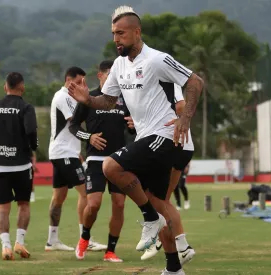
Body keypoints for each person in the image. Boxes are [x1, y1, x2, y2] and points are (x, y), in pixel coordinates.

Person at [68, 6, 203, 274]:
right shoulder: (118, 65)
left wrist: (185, 119)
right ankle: (174, 267)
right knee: (158, 201)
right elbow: (106, 101)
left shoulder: (157, 59)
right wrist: (88, 101)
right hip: (146, 138)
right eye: (113, 34)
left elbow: (195, 82)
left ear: (137, 32)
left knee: (110, 166)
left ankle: (149, 219)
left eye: (121, 33)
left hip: (163, 136)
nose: (116, 38)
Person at [69, 60, 134, 262]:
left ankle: (110, 251)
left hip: (118, 161)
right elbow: (72, 126)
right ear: (100, 76)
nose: (114, 79)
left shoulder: (124, 99)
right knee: (94, 204)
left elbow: (133, 128)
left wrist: (134, 125)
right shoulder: (89, 98)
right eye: (109, 75)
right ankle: (84, 237)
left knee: (119, 204)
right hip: (96, 160)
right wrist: (89, 137)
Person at [46, 67, 106, 252]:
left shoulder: (69, 97)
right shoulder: (63, 97)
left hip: (65, 152)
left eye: (84, 82)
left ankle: (52, 240)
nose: (82, 85)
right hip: (64, 153)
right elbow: (75, 122)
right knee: (87, 194)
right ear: (68, 80)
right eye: (79, 82)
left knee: (59, 197)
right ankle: (84, 239)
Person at [0, 72, 38, 260]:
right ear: (22, 87)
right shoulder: (26, 107)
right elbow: (31, 131)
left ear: (5, 87)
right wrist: (33, 147)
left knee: (3, 208)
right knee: (24, 204)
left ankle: (5, 246)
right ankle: (19, 242)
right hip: (21, 165)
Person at [141, 85, 195, 264]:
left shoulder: (164, 78)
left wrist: (179, 118)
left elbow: (180, 106)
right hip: (182, 146)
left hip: (173, 144)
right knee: (163, 201)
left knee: (155, 200)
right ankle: (181, 246)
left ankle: (169, 241)